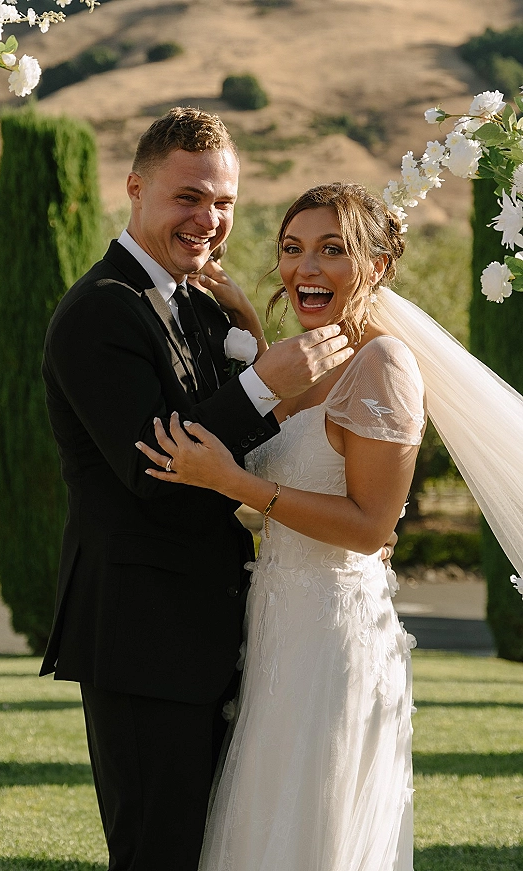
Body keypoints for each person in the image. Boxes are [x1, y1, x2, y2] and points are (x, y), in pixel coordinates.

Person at [38, 109, 356, 871]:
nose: (208, 219)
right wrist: (258, 385)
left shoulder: (197, 304)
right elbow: (153, 465)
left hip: (218, 637)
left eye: (224, 202)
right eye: (189, 197)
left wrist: (247, 324)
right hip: (142, 639)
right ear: (136, 189)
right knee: (158, 852)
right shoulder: (98, 311)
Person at [137, 182, 426, 870]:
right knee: (263, 824)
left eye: (333, 250)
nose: (305, 268)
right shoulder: (312, 357)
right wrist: (248, 321)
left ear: (377, 266)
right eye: (292, 249)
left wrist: (234, 483)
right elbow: (301, 442)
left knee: (312, 827)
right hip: (277, 624)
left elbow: (369, 524)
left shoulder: (386, 365)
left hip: (333, 633)